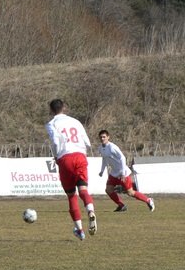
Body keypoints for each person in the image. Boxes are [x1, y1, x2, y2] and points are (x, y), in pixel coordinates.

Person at [45, 99, 97, 241]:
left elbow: (55, 141)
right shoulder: (75, 121)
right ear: (64, 108)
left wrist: (57, 157)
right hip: (80, 156)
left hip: (65, 158)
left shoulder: (51, 124)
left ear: (51, 110)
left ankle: (80, 231)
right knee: (83, 190)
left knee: (71, 195)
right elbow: (87, 142)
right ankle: (90, 211)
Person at [98, 129, 155, 213]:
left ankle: (148, 200)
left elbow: (122, 158)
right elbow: (104, 159)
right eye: (101, 137)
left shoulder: (112, 147)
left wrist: (122, 173)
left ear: (108, 137)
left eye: (104, 137)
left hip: (123, 173)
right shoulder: (100, 148)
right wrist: (102, 170)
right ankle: (121, 205)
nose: (102, 139)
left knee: (130, 192)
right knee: (108, 190)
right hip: (114, 173)